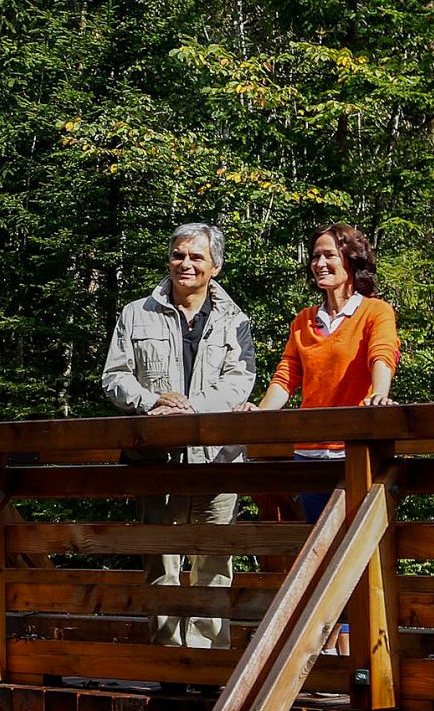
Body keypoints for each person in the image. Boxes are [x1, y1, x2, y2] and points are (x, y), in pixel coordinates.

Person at [102, 222, 257, 649]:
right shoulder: (136, 312)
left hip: (217, 461)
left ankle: (208, 665)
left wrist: (191, 410)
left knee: (214, 564)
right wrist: (152, 401)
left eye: (196, 257)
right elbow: (114, 376)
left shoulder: (236, 319)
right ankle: (170, 662)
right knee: (161, 563)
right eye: (178, 255)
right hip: (156, 461)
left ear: (216, 267)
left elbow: (240, 381)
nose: (185, 264)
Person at [240, 222, 400, 523]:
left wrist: (379, 395)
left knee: (356, 546)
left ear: (351, 260)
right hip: (309, 453)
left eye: (329, 255)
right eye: (315, 256)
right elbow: (286, 375)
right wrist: (260, 414)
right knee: (317, 545)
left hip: (354, 452)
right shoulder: (303, 321)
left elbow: (382, 354)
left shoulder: (374, 312)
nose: (319, 264)